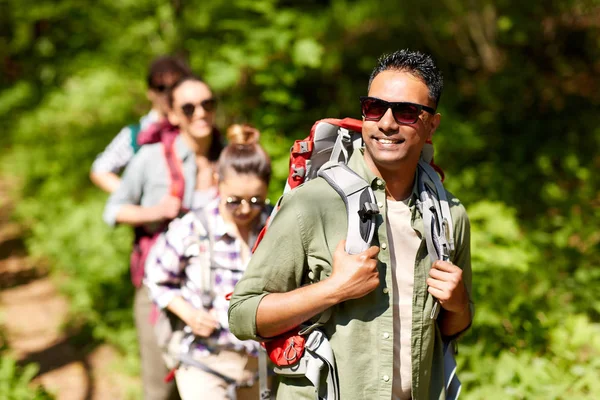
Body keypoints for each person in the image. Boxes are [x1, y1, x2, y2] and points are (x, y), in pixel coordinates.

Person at [229, 49, 474, 400]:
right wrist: (335, 289)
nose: (387, 122)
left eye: (406, 112)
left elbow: (453, 328)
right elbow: (242, 314)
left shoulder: (449, 215)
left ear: (432, 124)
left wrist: (459, 304)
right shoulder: (313, 203)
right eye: (375, 107)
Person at [103, 75, 223, 400]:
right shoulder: (152, 158)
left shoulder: (228, 157)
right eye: (189, 107)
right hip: (162, 289)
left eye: (207, 104)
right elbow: (113, 211)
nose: (200, 113)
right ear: (172, 114)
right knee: (161, 389)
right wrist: (155, 211)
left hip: (219, 288)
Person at [145, 124, 272, 400]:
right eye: (234, 201)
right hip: (204, 360)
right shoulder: (192, 227)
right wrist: (189, 314)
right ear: (217, 180)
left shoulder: (277, 224)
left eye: (256, 200)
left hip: (263, 366)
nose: (246, 209)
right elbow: (156, 277)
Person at [90, 55, 192, 193]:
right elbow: (100, 170)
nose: (168, 94)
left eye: (174, 86)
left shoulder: (194, 126)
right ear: (150, 92)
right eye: (161, 88)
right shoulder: (136, 134)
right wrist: (133, 198)